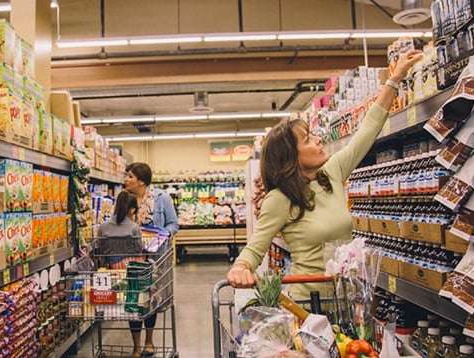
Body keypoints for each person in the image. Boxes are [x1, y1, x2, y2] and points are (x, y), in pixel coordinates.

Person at [227, 50, 424, 300]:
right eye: (308, 139)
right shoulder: (279, 199)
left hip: (348, 300)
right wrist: (240, 268)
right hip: (308, 304)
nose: (319, 140)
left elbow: (367, 131)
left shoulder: (331, 173)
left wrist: (394, 79)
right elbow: (255, 248)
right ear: (291, 157)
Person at [124, 162, 179, 357]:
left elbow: (174, 224)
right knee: (133, 300)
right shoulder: (124, 199)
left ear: (141, 181)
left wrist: (162, 234)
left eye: (130, 176)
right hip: (131, 258)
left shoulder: (162, 199)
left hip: (155, 259)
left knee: (151, 300)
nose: (126, 179)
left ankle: (149, 341)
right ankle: (136, 345)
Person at [97, 190, 142, 270]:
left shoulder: (103, 227)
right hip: (129, 269)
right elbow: (138, 250)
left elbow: (99, 247)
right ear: (132, 210)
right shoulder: (134, 228)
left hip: (109, 267)